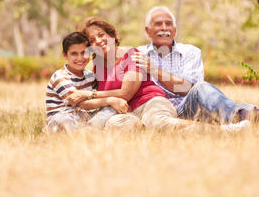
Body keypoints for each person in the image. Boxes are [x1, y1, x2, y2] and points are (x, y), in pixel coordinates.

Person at [133, 6, 259, 127]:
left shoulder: (190, 52)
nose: (164, 28)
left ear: (175, 30)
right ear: (147, 31)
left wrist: (154, 70)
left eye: (169, 24)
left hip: (192, 109)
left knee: (201, 89)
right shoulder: (137, 54)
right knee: (213, 97)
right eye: (158, 24)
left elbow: (187, 89)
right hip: (163, 113)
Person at [65, 17, 205, 131]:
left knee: (157, 122)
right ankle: (143, 129)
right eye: (92, 41)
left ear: (111, 35)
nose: (98, 41)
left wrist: (88, 94)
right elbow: (106, 99)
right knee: (113, 125)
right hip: (126, 112)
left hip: (150, 103)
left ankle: (215, 130)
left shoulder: (131, 55)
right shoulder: (98, 65)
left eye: (101, 35)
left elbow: (126, 93)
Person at [46, 32, 129, 132]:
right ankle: (83, 132)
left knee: (110, 109)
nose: (80, 58)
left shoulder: (90, 76)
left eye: (84, 53)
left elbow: (96, 97)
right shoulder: (60, 77)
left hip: (85, 118)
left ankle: (89, 130)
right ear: (65, 55)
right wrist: (110, 100)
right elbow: (80, 103)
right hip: (62, 118)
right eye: (74, 54)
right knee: (63, 119)